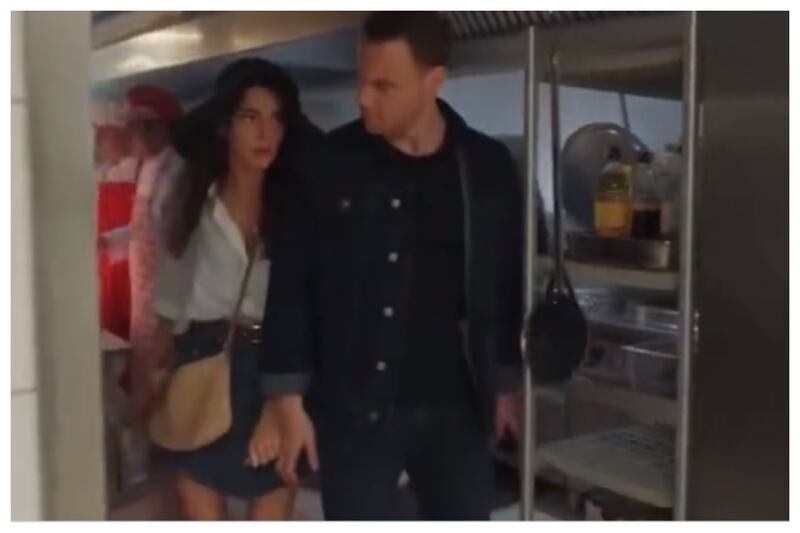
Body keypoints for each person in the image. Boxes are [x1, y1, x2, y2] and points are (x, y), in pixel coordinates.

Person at [261, 12, 524, 520]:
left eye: (384, 86)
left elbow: (503, 283)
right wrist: (287, 401)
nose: (363, 98)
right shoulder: (327, 164)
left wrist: (506, 386)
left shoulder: (486, 167)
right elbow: (291, 284)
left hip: (456, 410)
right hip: (351, 408)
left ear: (434, 81)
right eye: (362, 80)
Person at [135, 58, 319, 520]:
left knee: (275, 491)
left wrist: (279, 406)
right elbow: (169, 307)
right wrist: (150, 382)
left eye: (276, 119)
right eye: (250, 117)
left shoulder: (300, 210)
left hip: (275, 369)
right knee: (199, 498)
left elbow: (313, 311)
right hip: (201, 369)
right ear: (224, 126)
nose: (266, 133)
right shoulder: (194, 203)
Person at [123, 85, 186, 407]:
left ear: (167, 127)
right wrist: (106, 241)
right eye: (136, 126)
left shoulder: (178, 169)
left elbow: (175, 242)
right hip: (143, 288)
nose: (141, 135)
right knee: (142, 371)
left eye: (149, 126)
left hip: (165, 290)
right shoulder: (145, 167)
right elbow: (139, 228)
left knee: (162, 381)